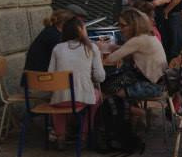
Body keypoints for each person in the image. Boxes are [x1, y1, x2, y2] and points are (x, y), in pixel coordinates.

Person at [47, 18, 105, 148]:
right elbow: (100, 77)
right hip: (82, 99)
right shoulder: (91, 47)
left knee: (58, 99)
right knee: (97, 97)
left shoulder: (57, 48)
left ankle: (60, 136)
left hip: (60, 100)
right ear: (82, 31)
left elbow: (51, 75)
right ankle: (83, 135)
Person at [102, 8, 168, 99]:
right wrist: (115, 48)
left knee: (106, 88)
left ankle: (138, 112)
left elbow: (110, 60)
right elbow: (129, 52)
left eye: (123, 25)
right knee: (112, 82)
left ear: (133, 25)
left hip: (152, 86)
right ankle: (134, 111)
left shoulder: (137, 40)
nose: (120, 29)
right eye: (119, 25)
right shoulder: (146, 36)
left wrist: (98, 50)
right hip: (160, 83)